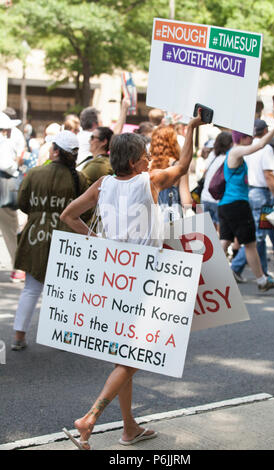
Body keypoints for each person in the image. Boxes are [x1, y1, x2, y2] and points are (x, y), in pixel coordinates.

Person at [59, 110, 204, 450]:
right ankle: (91, 416)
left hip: (113, 277)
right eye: (146, 155)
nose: (150, 158)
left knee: (123, 357)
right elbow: (183, 167)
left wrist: (98, 241)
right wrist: (191, 129)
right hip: (145, 280)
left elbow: (69, 215)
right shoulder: (148, 181)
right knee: (135, 357)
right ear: (136, 160)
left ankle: (129, 428)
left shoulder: (103, 184)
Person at [11, 130, 91, 351]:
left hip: (36, 235)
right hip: (66, 237)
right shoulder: (80, 179)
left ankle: (19, 336)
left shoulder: (34, 174)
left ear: (55, 152)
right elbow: (86, 212)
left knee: (31, 288)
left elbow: (23, 204)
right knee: (62, 291)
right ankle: (63, 337)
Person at [218, 108, 274, 291]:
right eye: (250, 137)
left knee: (225, 242)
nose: (252, 139)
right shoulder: (236, 152)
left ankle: (208, 277)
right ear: (243, 138)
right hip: (237, 203)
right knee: (250, 243)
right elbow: (260, 145)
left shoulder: (234, 153)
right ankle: (262, 280)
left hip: (227, 204)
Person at [0, 111, 26, 283]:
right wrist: (16, 164)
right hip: (4, 186)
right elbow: (7, 164)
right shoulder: (4, 142)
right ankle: (19, 267)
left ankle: (19, 267)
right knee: (10, 229)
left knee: (10, 229)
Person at [149, 125, 193, 222]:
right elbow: (187, 202)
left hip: (151, 217)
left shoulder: (148, 166)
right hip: (171, 218)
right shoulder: (177, 166)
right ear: (173, 143)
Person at [201, 131, 233, 230]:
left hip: (205, 196)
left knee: (206, 231)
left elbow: (205, 173)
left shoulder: (213, 156)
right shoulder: (230, 158)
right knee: (221, 230)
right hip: (218, 198)